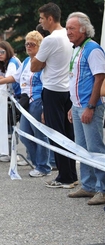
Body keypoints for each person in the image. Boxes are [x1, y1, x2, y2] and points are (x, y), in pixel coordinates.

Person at [0, 31, 52, 177]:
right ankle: (37, 163)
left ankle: (43, 166)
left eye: (32, 44)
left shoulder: (44, 62)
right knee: (24, 135)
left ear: (39, 46)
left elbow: (47, 84)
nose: (28, 46)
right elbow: (16, 77)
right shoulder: (26, 61)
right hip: (26, 101)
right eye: (27, 44)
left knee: (40, 135)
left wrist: (45, 106)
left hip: (38, 100)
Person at [31, 2, 77, 189]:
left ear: (50, 18)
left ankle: (65, 177)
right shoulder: (68, 35)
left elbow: (34, 66)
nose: (40, 22)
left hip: (52, 90)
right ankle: (71, 174)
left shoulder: (50, 39)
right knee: (68, 134)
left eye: (42, 18)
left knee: (56, 135)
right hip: (67, 90)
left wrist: (41, 61)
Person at [65, 12, 105, 204]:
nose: (68, 32)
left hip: (90, 107)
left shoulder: (93, 49)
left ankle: (102, 189)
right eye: (67, 28)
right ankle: (88, 186)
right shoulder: (77, 49)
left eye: (72, 28)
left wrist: (90, 106)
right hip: (78, 106)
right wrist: (74, 106)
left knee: (95, 148)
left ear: (84, 29)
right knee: (81, 149)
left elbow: (99, 79)